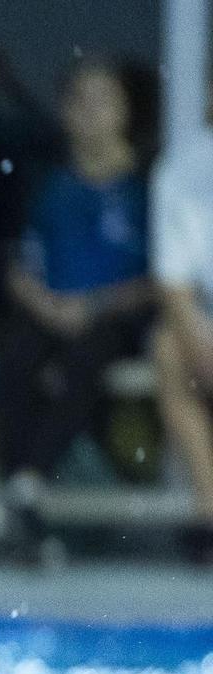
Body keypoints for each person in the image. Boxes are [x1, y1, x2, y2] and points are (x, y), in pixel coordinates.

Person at [0, 58, 154, 556]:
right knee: (16, 354)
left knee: (88, 355)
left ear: (126, 111)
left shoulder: (146, 185)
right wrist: (46, 305)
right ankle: (20, 486)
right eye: (79, 101)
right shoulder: (44, 182)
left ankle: (27, 479)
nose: (91, 113)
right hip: (49, 310)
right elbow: (14, 263)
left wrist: (96, 305)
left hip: (115, 318)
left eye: (104, 100)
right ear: (64, 111)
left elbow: (162, 279)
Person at [151, 125, 213, 561]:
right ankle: (209, 506)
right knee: (169, 349)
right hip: (204, 317)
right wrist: (199, 338)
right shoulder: (184, 168)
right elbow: (173, 280)